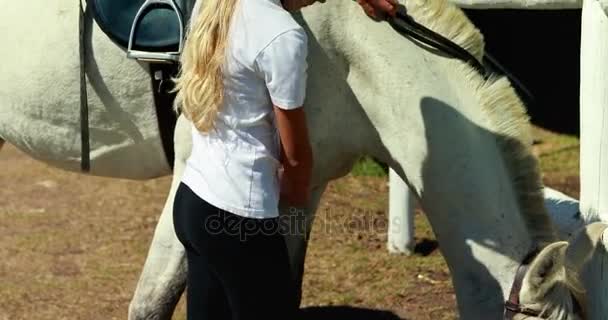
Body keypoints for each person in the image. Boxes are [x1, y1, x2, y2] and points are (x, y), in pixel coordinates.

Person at [171, 0, 397, 319]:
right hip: (240, 220)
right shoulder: (283, 34)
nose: (317, 2)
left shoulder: (214, 4)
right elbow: (294, 153)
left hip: (193, 202)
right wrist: (297, 190)